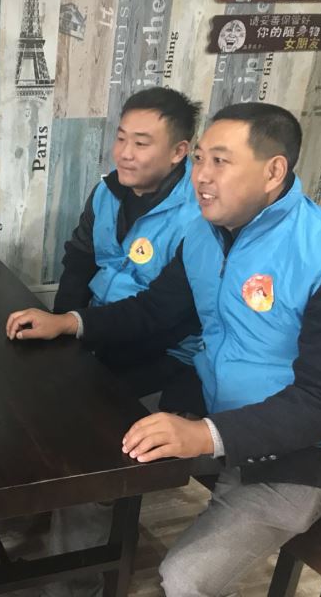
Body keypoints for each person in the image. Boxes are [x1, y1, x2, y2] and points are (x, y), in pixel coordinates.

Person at [9, 102, 321, 594]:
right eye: (199, 159)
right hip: (214, 402)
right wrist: (69, 321)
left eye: (221, 161)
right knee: (89, 461)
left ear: (273, 171)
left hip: (310, 451)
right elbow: (156, 309)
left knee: (184, 578)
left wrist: (205, 435)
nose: (202, 176)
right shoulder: (204, 234)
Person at [51, 87, 204, 414]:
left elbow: (165, 312)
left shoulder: (200, 215)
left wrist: (74, 324)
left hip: (164, 348)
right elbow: (79, 262)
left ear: (178, 151)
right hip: (101, 327)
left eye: (141, 144)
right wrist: (61, 330)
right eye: (121, 139)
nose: (124, 154)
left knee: (83, 409)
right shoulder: (106, 191)